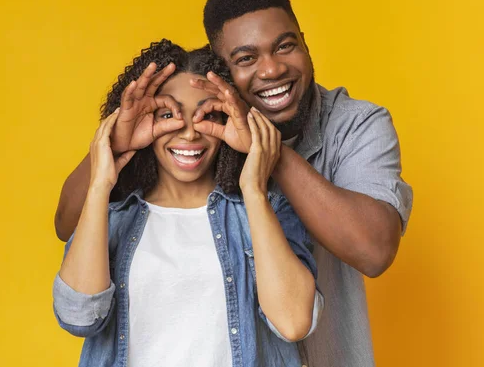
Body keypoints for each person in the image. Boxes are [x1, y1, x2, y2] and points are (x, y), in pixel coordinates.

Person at [54, 0, 413, 366]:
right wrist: (110, 150)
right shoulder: (135, 202)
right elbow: (68, 242)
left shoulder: (353, 126)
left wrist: (263, 157)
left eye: (285, 46)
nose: (272, 69)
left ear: (305, 43)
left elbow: (372, 251)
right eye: (246, 58)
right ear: (221, 72)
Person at [52, 40, 323, 367]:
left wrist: (253, 187)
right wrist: (100, 182)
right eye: (168, 114)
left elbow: (294, 323)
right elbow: (78, 316)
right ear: (141, 120)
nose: (190, 133)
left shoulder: (269, 210)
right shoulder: (111, 217)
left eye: (207, 114)